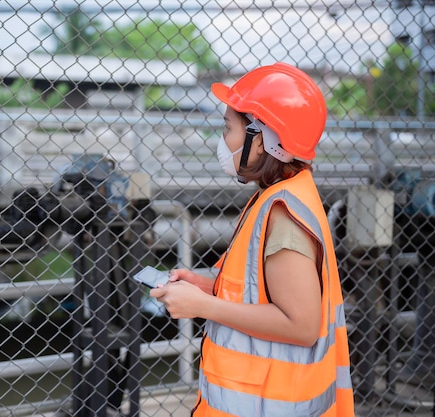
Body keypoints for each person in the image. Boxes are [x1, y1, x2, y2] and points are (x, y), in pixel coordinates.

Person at [149, 62, 355, 417]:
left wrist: (203, 307)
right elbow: (254, 285)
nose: (222, 139)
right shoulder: (275, 195)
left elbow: (302, 326)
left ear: (262, 140)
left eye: (228, 128)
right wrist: (207, 284)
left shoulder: (283, 213)